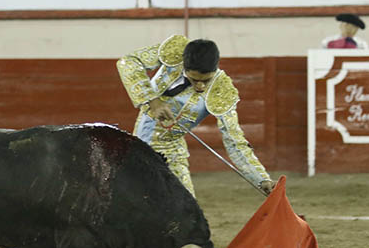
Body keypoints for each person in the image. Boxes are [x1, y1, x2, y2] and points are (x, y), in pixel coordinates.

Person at [116, 35, 274, 197]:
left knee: (184, 206)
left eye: (206, 81)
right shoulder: (175, 51)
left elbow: (235, 140)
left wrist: (261, 178)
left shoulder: (222, 89)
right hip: (136, 146)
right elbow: (128, 62)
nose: (200, 86)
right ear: (184, 66)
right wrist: (152, 100)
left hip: (170, 150)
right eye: (194, 79)